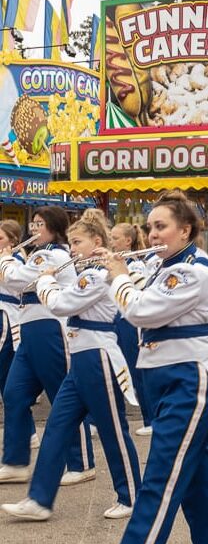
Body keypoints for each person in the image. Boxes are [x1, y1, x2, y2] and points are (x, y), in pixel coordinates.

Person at [86, 191, 208, 544]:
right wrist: (104, 267)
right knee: (195, 477)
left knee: (161, 480)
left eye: (160, 226)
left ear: (185, 230)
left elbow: (138, 311)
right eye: (149, 227)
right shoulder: (162, 265)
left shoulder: (193, 272)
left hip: (191, 381)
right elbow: (121, 291)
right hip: (166, 381)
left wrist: (118, 273)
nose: (151, 234)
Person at [1, 209, 141, 521]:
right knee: (56, 425)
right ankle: (39, 500)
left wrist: (44, 281)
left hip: (99, 357)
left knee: (112, 429)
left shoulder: (98, 274)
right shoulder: (84, 273)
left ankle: (132, 495)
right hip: (81, 357)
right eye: (72, 241)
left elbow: (61, 304)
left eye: (78, 242)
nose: (72, 248)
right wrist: (50, 282)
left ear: (97, 241)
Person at [0, 206, 94, 484]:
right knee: (14, 393)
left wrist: (6, 260)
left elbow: (17, 280)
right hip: (30, 328)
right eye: (33, 224)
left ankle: (81, 462)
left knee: (63, 396)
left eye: (40, 224)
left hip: (50, 326)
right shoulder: (37, 254)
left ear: (53, 227)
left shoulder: (52, 253)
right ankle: (15, 461)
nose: (34, 229)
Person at [110, 222, 152, 437]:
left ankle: (150, 418)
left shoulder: (134, 264)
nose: (111, 241)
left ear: (128, 241)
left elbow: (135, 291)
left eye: (116, 238)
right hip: (115, 318)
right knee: (113, 368)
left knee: (136, 370)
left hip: (129, 319)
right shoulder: (113, 261)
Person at [0, 221, 25, 398]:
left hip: (7, 316)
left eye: (0, 238)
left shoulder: (16, 262)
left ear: (13, 241)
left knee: (4, 363)